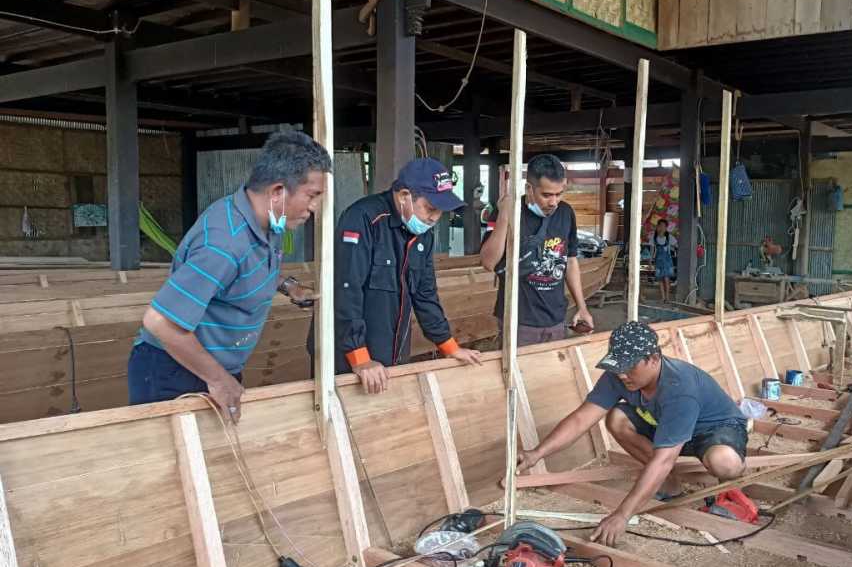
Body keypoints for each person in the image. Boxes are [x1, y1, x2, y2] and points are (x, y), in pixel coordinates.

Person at [130, 131, 329, 421]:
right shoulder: (223, 243)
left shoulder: (267, 223)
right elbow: (159, 322)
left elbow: (246, 271)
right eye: (312, 196)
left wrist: (288, 286)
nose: (314, 207)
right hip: (175, 371)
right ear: (277, 191)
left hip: (213, 367)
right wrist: (220, 380)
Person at [515, 321, 748, 547]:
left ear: (653, 359)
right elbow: (581, 419)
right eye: (618, 367)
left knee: (724, 462)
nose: (622, 375)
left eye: (629, 367)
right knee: (617, 418)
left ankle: (729, 489)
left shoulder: (679, 388)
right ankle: (669, 484)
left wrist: (623, 514)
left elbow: (664, 459)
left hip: (714, 428)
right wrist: (536, 453)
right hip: (668, 425)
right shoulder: (619, 376)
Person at [332, 158, 482, 394]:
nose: (434, 218)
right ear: (404, 196)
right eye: (430, 208)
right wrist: (359, 357)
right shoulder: (362, 219)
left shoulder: (422, 233)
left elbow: (425, 294)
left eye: (440, 212)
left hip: (391, 352)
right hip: (348, 357)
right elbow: (346, 290)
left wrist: (449, 346)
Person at [479, 153, 595, 346]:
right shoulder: (508, 211)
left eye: (559, 194)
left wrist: (582, 307)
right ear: (529, 189)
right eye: (546, 195)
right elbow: (488, 263)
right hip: (519, 319)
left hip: (556, 317)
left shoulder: (566, 212)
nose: (553, 202)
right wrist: (505, 215)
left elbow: (570, 261)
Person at [649, 219, 677, 302]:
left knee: (667, 279)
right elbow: (652, 251)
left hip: (667, 261)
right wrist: (650, 261)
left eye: (664, 226)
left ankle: (667, 298)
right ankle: (663, 297)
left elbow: (676, 245)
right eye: (660, 226)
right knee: (660, 279)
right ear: (657, 227)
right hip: (658, 261)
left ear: (666, 228)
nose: (662, 228)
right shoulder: (654, 237)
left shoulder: (669, 237)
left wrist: (673, 248)